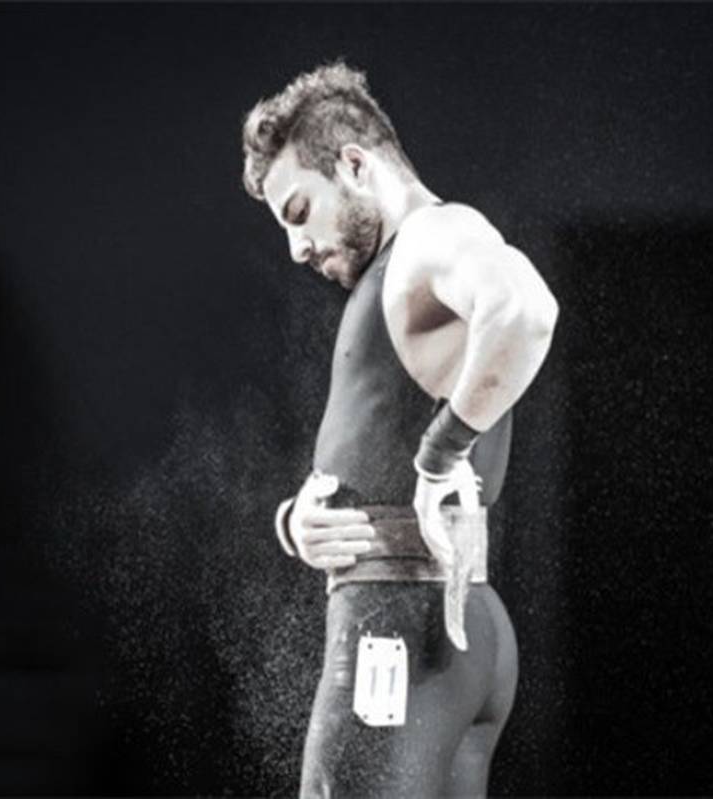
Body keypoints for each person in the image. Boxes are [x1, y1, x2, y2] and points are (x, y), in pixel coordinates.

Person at [241, 61, 558, 798]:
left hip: (398, 624)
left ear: (355, 165)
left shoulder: (432, 235)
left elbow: (527, 310)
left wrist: (441, 453)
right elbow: (374, 449)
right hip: (442, 623)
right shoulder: (403, 269)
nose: (297, 247)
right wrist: (298, 524)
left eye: (300, 211)